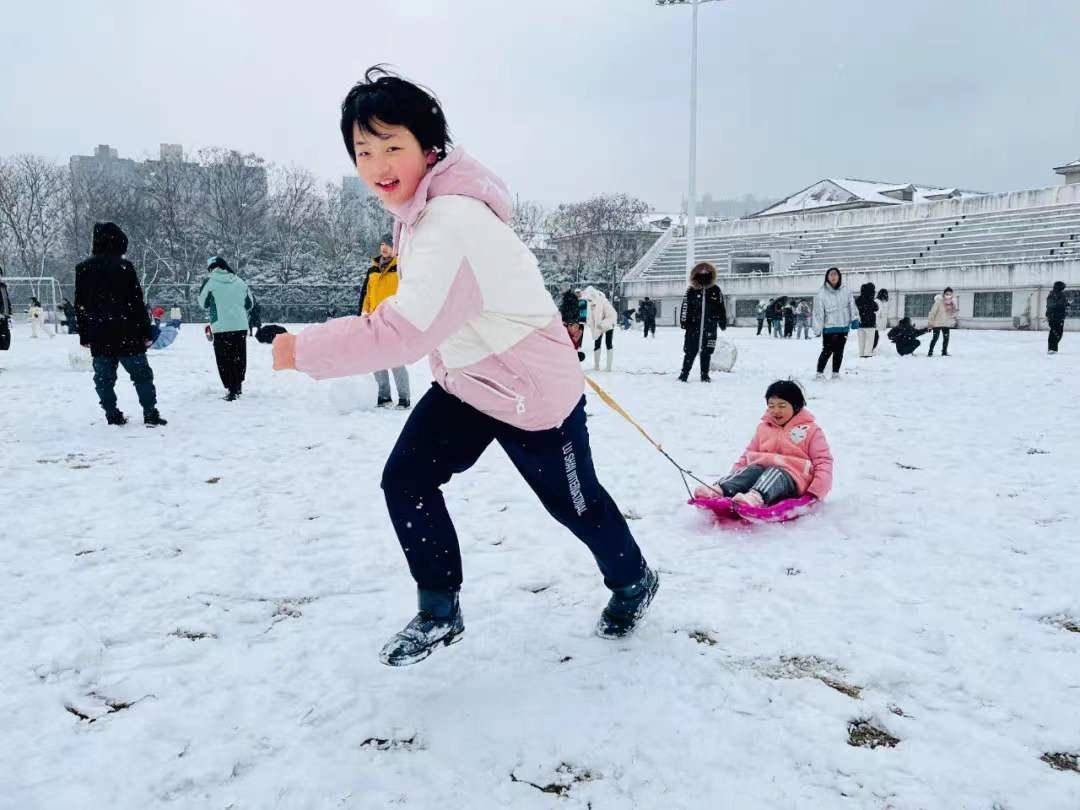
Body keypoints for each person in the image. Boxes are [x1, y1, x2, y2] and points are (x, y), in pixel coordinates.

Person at [271, 67, 656, 665]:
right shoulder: (419, 215)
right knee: (407, 479)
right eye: (362, 151)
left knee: (574, 506)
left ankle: (633, 580)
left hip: (533, 394)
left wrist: (305, 349)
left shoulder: (452, 220)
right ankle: (438, 609)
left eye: (391, 146)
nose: (377, 165)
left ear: (429, 149)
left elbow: (404, 330)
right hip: (468, 383)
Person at [74, 222, 167, 426]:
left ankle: (112, 414)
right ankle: (150, 412)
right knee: (141, 375)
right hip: (128, 332)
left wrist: (85, 335)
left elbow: (80, 305)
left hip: (99, 333)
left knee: (104, 379)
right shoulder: (124, 267)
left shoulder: (82, 269)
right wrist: (146, 332)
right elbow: (136, 303)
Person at [693, 380, 833, 507]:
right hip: (763, 474)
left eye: (782, 406)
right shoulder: (764, 428)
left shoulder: (811, 430)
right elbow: (748, 454)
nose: (775, 411)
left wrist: (816, 490)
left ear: (796, 406)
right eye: (771, 406)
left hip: (793, 479)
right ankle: (719, 489)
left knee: (776, 471)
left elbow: (823, 461)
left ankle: (755, 498)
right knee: (753, 469)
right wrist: (738, 476)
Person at [362, 238, 410, 408]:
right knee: (376, 360)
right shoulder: (372, 270)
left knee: (395, 360)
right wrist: (363, 313)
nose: (384, 248)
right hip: (373, 319)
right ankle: (384, 397)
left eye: (388, 245)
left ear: (394, 248)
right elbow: (366, 295)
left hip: (394, 320)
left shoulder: (401, 268)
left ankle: (404, 399)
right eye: (382, 245)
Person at [198, 256, 254, 401]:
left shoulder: (209, 281)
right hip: (240, 325)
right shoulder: (239, 281)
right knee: (239, 356)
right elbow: (250, 304)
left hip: (221, 326)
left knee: (224, 359)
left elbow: (202, 302)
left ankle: (231, 389)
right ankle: (238, 385)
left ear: (210, 268)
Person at [678, 261, 727, 383]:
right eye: (701, 272)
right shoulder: (691, 291)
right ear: (696, 274)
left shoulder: (715, 290)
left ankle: (705, 375)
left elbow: (721, 306)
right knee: (690, 351)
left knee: (707, 352)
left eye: (706, 272)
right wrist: (684, 321)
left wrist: (722, 320)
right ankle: (684, 374)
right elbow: (685, 306)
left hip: (710, 327)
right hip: (693, 327)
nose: (703, 274)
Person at [813, 267, 859, 380]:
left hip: (843, 327)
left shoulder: (846, 290)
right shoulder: (821, 293)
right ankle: (819, 372)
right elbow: (818, 313)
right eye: (831, 275)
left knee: (839, 351)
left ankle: (835, 373)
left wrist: (855, 318)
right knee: (827, 351)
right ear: (827, 277)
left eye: (835, 274)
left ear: (839, 276)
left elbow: (852, 305)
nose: (833, 277)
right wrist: (818, 328)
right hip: (829, 327)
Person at [581, 286, 617, 372]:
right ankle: (596, 366)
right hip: (598, 327)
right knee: (597, 344)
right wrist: (591, 325)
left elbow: (613, 315)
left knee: (608, 344)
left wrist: (602, 324)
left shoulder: (603, 302)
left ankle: (609, 367)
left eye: (589, 299)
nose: (588, 301)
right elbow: (590, 318)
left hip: (608, 326)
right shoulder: (589, 304)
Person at [926, 286, 958, 357]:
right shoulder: (939, 302)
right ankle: (930, 352)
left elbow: (952, 314)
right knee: (935, 338)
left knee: (946, 339)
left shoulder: (952, 304)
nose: (948, 295)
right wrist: (930, 324)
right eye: (947, 293)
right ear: (944, 294)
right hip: (937, 324)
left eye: (950, 294)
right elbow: (932, 313)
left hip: (946, 324)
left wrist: (954, 316)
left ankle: (944, 352)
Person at [854, 281, 878, 358]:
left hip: (860, 324)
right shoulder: (871, 301)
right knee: (869, 341)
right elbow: (876, 308)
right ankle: (867, 355)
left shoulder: (858, 300)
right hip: (870, 324)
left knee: (861, 341)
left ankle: (861, 354)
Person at [1046, 281, 1067, 354]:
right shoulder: (1052, 294)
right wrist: (1061, 304)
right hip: (1053, 317)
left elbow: (1062, 303)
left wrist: (1067, 304)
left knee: (1059, 333)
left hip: (1060, 317)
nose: (1063, 288)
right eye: (1062, 287)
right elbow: (1051, 305)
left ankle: (1053, 348)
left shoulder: (1061, 294)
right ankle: (1052, 349)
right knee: (1054, 332)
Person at [873, 288, 889, 353]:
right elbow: (875, 313)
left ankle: (869, 350)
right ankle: (868, 351)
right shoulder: (877, 302)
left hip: (873, 324)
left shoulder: (878, 302)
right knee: (875, 338)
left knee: (875, 337)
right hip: (873, 324)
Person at [0, 265, 12, 357]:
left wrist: (8, 312)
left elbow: (5, 300)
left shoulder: (3, 286)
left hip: (3, 317)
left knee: (4, 341)